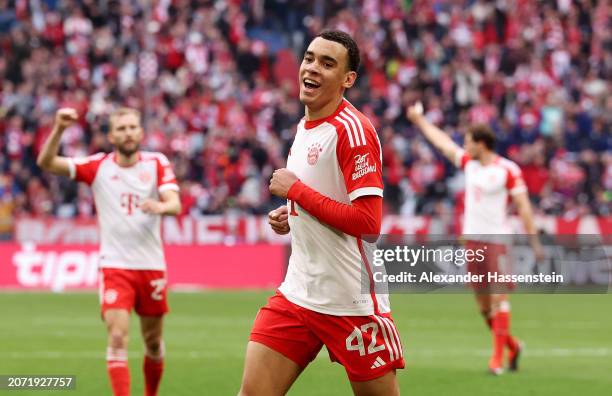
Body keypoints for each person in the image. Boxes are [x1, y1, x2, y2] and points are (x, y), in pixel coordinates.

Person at [238, 30, 404, 396]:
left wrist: (296, 192)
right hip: (298, 293)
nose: (312, 68)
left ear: (348, 80)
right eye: (310, 58)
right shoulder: (305, 125)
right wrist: (293, 213)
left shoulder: (353, 132)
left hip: (350, 301)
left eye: (327, 63)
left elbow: (368, 223)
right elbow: (325, 197)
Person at [37, 107, 181, 396]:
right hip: (115, 266)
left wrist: (161, 206)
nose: (128, 133)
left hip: (151, 265)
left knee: (152, 342)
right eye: (122, 128)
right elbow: (47, 162)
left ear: (140, 132)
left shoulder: (156, 162)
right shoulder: (98, 166)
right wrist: (59, 128)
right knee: (117, 337)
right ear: (111, 136)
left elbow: (175, 204)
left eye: (132, 127)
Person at [406, 102, 544, 374]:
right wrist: (419, 121)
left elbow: (524, 207)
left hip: (498, 241)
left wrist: (534, 242)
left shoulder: (507, 170)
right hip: (473, 242)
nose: (464, 146)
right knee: (483, 307)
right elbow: (443, 143)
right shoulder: (469, 164)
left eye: (469, 141)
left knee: (498, 299)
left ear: (482, 143)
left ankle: (496, 361)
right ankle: (513, 346)